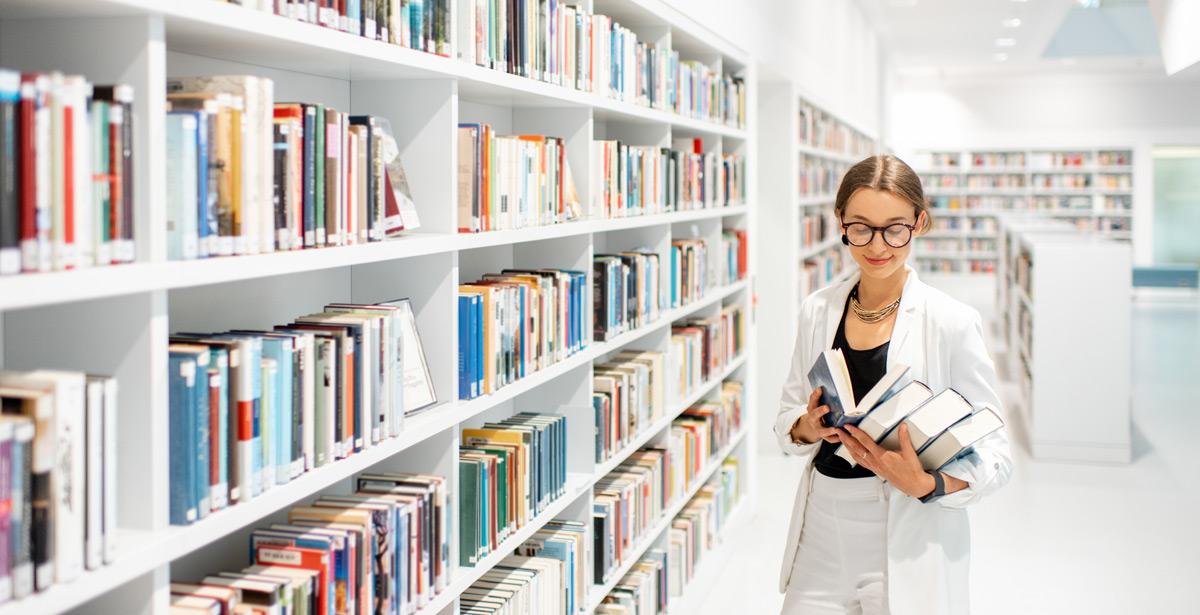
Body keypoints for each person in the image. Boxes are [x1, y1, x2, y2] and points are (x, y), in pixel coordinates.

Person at [774, 154, 1012, 615]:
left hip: (908, 531)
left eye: (895, 228)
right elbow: (785, 423)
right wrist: (806, 426)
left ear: (919, 223)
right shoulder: (817, 310)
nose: (877, 245)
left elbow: (997, 457)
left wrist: (929, 483)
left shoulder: (952, 322)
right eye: (861, 227)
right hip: (821, 525)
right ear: (840, 222)